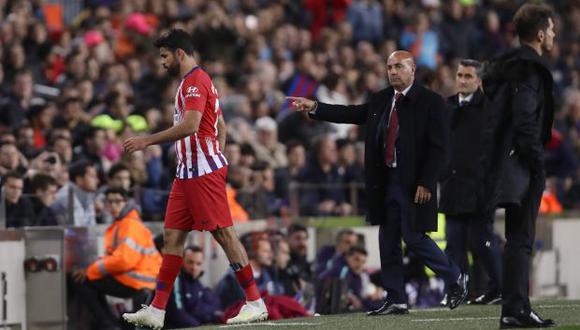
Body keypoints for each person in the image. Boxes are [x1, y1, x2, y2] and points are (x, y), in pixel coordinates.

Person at [288, 50, 468, 315]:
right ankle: (395, 297)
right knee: (389, 240)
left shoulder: (431, 102)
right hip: (386, 180)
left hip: (414, 181)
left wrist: (427, 181)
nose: (392, 71)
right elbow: (352, 113)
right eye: (389, 67)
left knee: (414, 237)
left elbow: (439, 148)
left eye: (398, 66)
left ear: (413, 70)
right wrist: (315, 107)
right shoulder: (382, 99)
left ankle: (454, 276)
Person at [121, 29, 267, 329]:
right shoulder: (190, 83)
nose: (161, 62)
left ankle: (255, 302)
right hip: (187, 173)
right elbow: (221, 124)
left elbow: (190, 126)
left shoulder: (196, 81)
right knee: (173, 237)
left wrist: (147, 141)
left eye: (164, 56)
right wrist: (216, 154)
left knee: (224, 234)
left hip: (201, 173)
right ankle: (157, 310)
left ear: (179, 53)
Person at [481, 4, 556, 328]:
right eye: (551, 30)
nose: (553, 34)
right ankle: (515, 309)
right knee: (521, 238)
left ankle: (516, 307)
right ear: (540, 34)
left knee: (515, 238)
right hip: (521, 161)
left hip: (500, 158)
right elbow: (526, 119)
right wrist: (537, 162)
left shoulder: (502, 65)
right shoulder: (529, 69)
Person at [440, 59, 502, 305]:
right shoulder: (447, 107)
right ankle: (457, 291)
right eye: (460, 75)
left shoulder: (489, 109)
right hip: (453, 186)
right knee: (453, 243)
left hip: (480, 187)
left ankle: (498, 288)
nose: (463, 80)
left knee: (481, 241)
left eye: (468, 76)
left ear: (479, 80)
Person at [71, 187, 162, 330]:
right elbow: (114, 257)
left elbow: (124, 260)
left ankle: (108, 324)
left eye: (117, 201)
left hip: (136, 280)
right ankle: (109, 323)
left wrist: (90, 271)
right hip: (140, 278)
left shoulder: (129, 224)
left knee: (83, 281)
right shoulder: (123, 223)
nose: (113, 206)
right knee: (90, 279)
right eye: (110, 202)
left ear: (126, 202)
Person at [165, 246, 222, 328]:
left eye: (198, 264)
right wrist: (200, 326)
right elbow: (178, 313)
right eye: (190, 262)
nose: (194, 267)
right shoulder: (175, 281)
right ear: (182, 262)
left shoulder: (198, 285)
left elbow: (214, 308)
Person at [51, 160, 99, 226]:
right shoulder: (66, 196)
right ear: (79, 180)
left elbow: (92, 226)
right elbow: (75, 230)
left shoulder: (88, 194)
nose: (97, 180)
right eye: (92, 176)